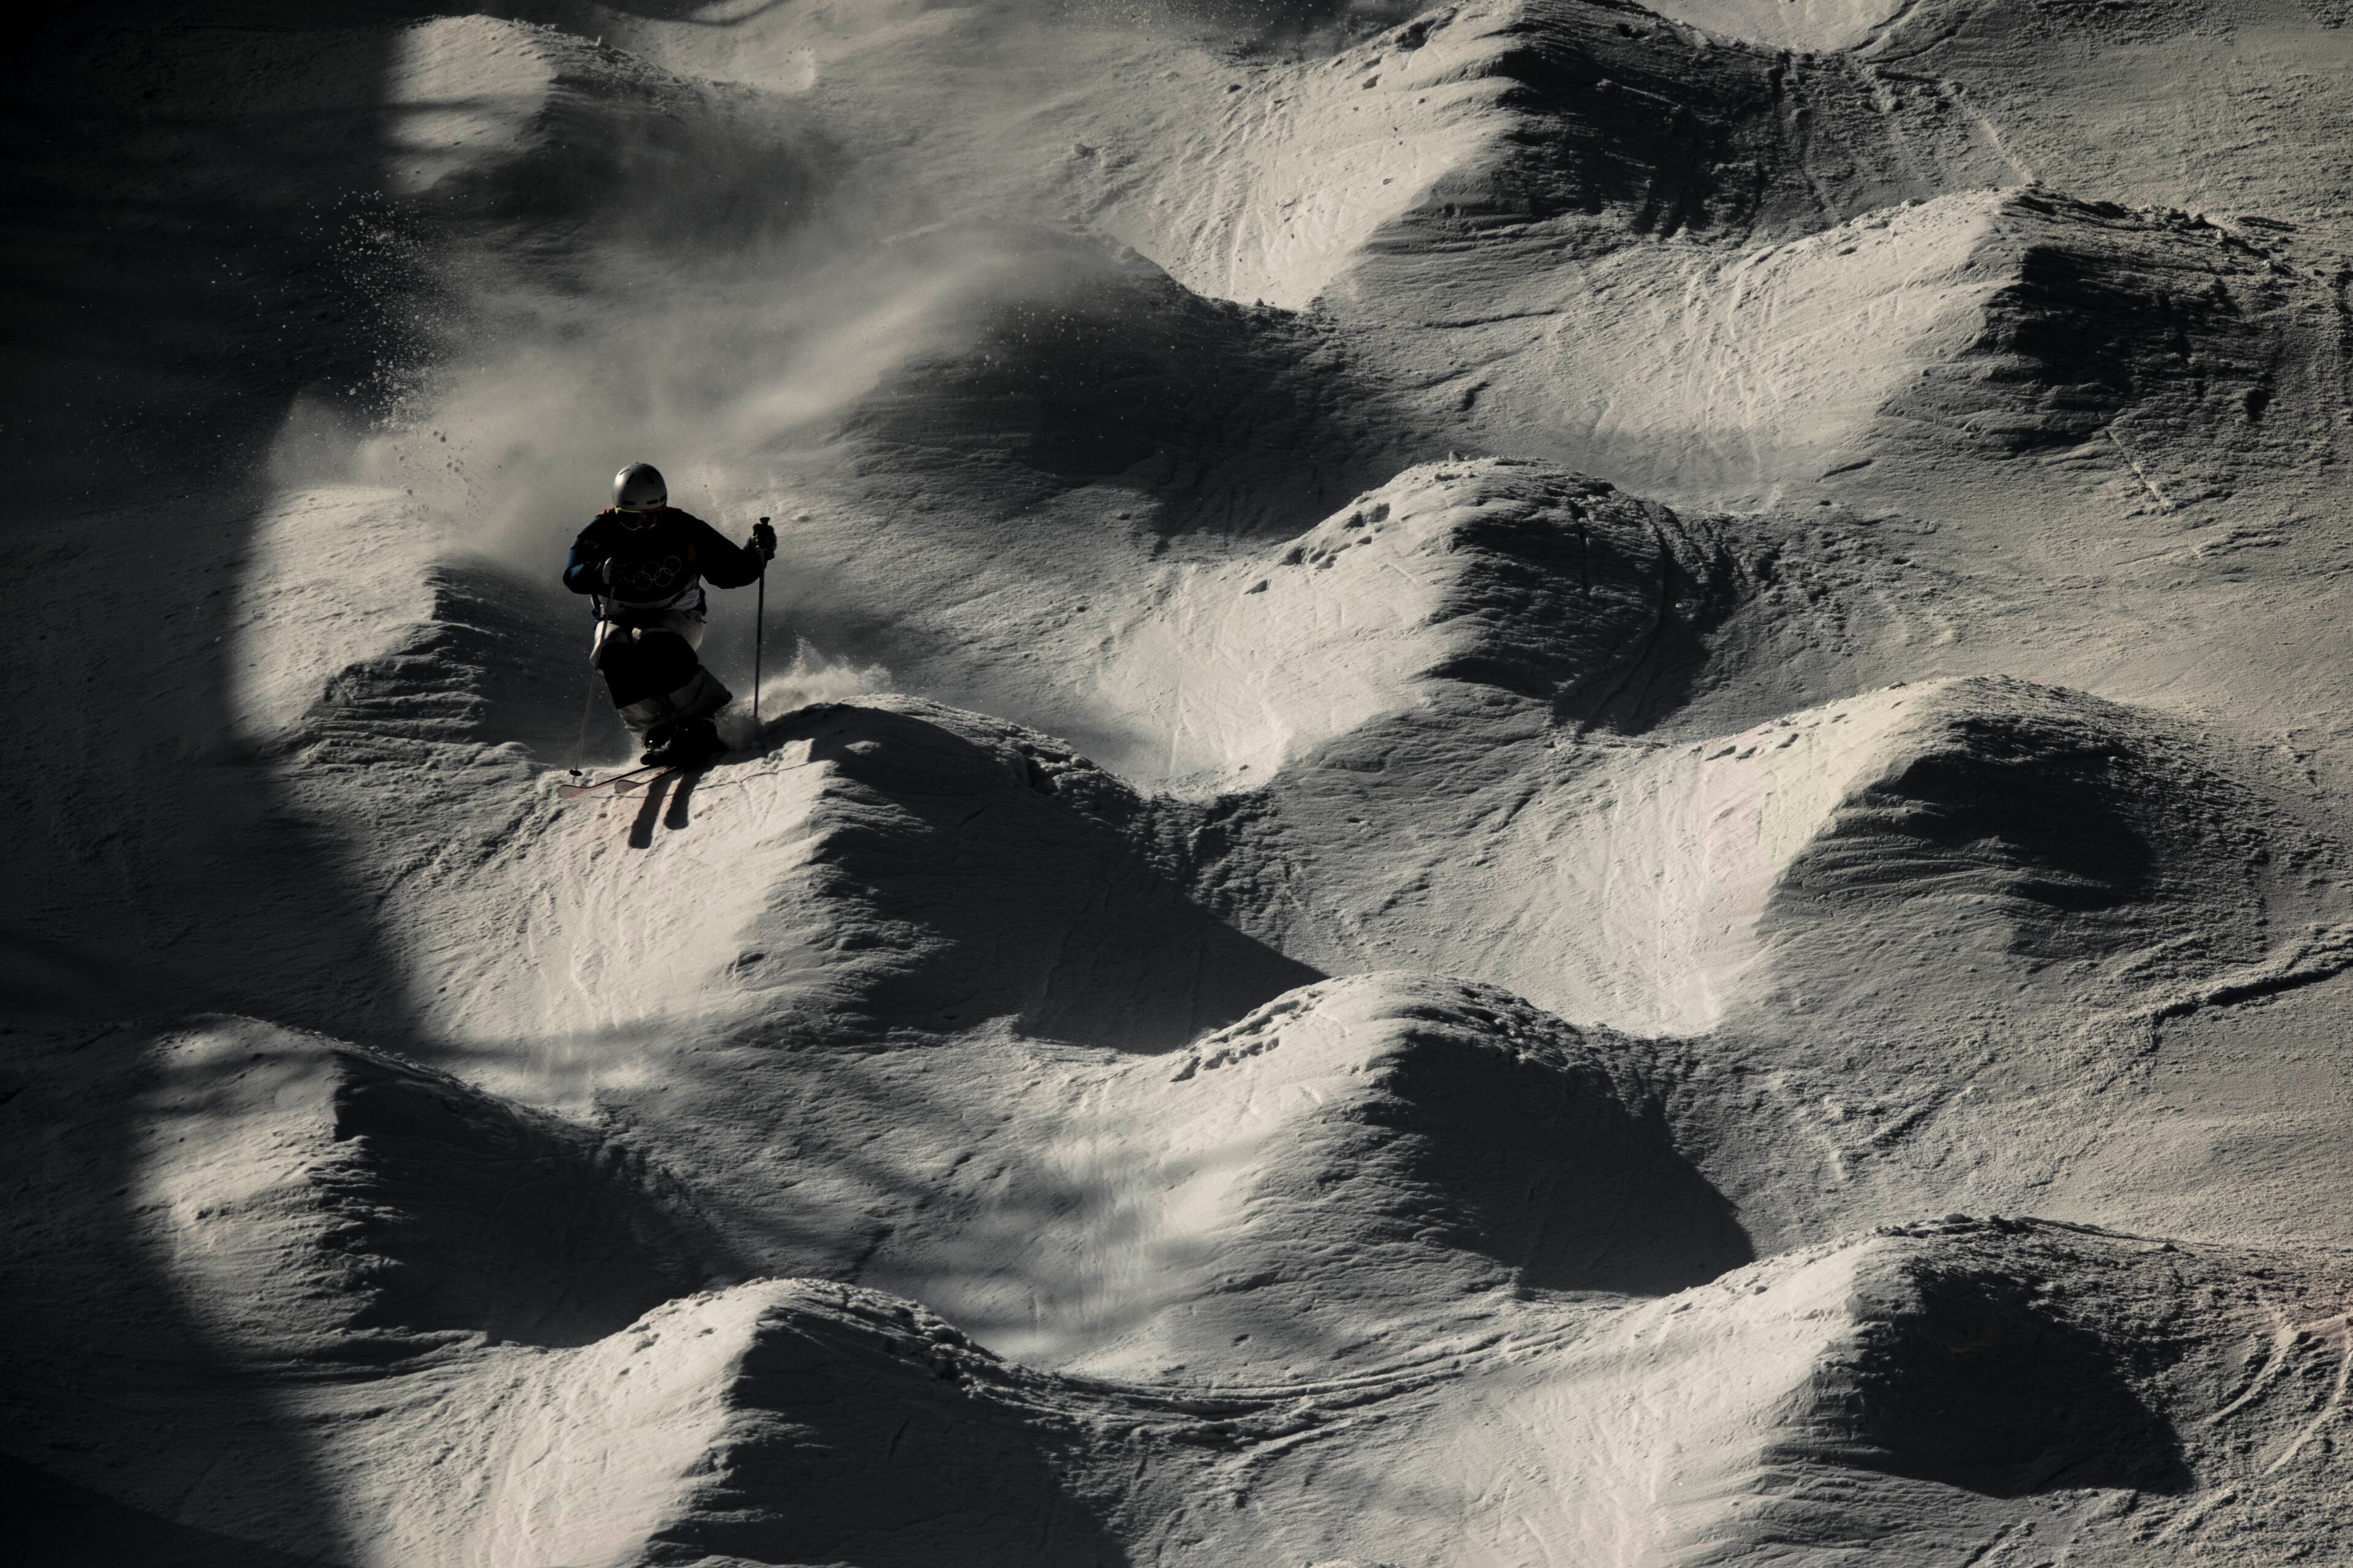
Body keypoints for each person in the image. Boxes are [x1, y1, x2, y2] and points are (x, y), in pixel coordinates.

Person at [563, 461, 776, 768]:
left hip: (679, 613)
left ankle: (709, 714)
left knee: (654, 642)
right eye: (630, 519)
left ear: (663, 508)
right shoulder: (601, 531)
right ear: (616, 510)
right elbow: (572, 574)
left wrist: (756, 552)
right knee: (612, 653)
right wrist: (598, 570)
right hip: (619, 616)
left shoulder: (684, 528)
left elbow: (731, 572)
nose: (642, 527)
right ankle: (656, 729)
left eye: (651, 519)